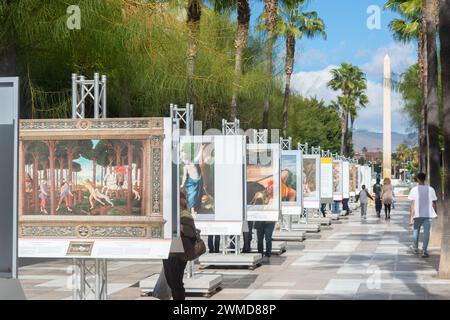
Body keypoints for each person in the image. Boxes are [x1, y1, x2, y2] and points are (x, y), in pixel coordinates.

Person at [163, 193, 197, 300]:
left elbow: (191, 233)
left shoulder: (185, 215)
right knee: (171, 281)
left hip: (178, 252)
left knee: (176, 282)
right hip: (168, 250)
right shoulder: (170, 214)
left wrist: (180, 227)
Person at [408, 172, 438, 258]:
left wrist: (411, 217)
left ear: (417, 179)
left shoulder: (414, 190)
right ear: (425, 179)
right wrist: (435, 213)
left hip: (417, 214)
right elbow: (433, 203)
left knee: (416, 231)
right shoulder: (431, 189)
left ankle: (415, 248)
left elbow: (412, 204)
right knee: (426, 233)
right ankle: (424, 251)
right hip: (428, 214)